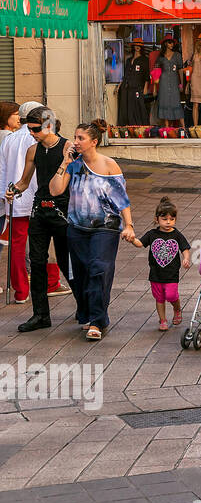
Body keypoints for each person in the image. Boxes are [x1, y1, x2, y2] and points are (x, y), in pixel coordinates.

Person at [47, 120, 135, 341]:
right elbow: (55, 190)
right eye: (75, 138)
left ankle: (97, 320)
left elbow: (122, 199)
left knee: (98, 269)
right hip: (76, 227)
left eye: (80, 138)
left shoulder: (108, 165)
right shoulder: (74, 164)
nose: (75, 142)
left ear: (94, 142)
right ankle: (87, 313)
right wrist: (65, 162)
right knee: (78, 273)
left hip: (105, 227)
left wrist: (129, 225)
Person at [12, 107, 73, 333]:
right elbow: (24, 182)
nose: (31, 133)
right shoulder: (32, 150)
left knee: (68, 262)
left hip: (63, 210)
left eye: (35, 129)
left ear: (49, 125)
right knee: (36, 262)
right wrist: (13, 190)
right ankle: (40, 315)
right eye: (29, 129)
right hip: (40, 210)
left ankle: (85, 307)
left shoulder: (68, 147)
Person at [1, 101, 53, 304]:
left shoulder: (10, 140)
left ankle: (21, 291)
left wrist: (4, 197)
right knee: (46, 241)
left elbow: (3, 171)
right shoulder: (43, 139)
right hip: (38, 198)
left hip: (17, 199)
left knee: (17, 245)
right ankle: (51, 283)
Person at [129, 197, 192, 332]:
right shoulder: (152, 234)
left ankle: (177, 308)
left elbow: (185, 248)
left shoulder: (177, 235)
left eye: (172, 219)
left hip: (172, 274)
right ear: (156, 219)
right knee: (159, 298)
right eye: (165, 219)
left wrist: (186, 259)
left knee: (171, 295)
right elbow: (140, 243)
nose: (168, 222)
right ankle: (162, 320)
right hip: (155, 274)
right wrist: (132, 239)